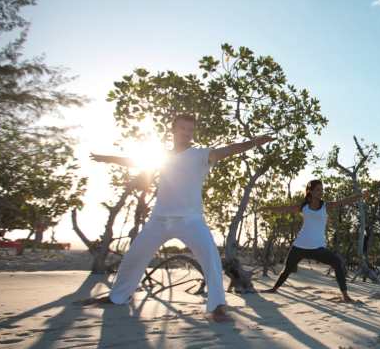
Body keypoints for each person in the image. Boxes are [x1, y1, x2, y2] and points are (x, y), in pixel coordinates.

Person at [81, 114, 273, 323]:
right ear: (172, 129)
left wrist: (254, 142)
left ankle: (217, 306)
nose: (186, 133)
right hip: (159, 219)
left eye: (190, 130)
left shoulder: (201, 155)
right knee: (133, 257)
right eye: (182, 128)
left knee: (211, 260)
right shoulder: (162, 156)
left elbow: (228, 150)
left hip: (190, 220)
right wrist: (108, 158)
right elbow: (134, 161)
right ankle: (118, 297)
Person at [259, 179, 365, 302]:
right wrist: (267, 208)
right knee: (287, 270)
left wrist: (361, 195)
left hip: (317, 248)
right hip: (300, 246)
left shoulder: (326, 206)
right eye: (318, 190)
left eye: (322, 189)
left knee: (337, 262)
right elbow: (285, 208)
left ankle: (345, 296)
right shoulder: (304, 207)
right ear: (311, 191)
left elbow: (344, 201)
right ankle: (274, 289)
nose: (321, 192)